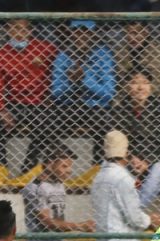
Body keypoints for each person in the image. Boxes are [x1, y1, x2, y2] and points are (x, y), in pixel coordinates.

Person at [0, 19, 58, 175]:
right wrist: (1, 110)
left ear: (30, 31)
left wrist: (50, 95)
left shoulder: (45, 48)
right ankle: (1, 170)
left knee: (47, 127)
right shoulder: (0, 55)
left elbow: (58, 70)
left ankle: (27, 171)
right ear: (8, 30)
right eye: (15, 28)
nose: (20, 33)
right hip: (14, 102)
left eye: (24, 30)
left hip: (40, 102)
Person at [49, 20, 116, 164]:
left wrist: (84, 80)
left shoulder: (103, 54)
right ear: (71, 34)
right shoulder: (63, 56)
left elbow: (109, 93)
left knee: (107, 127)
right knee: (45, 124)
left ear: (93, 34)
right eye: (77, 32)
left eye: (86, 32)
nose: (81, 36)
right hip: (68, 106)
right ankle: (46, 166)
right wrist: (71, 84)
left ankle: (99, 167)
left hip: (96, 107)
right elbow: (55, 93)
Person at [91, 130, 160, 241]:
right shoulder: (123, 178)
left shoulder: (98, 177)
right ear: (126, 153)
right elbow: (134, 217)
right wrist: (150, 220)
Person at [114, 71, 160, 208]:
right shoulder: (120, 109)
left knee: (157, 170)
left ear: (151, 86)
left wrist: (147, 160)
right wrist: (131, 157)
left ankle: (135, 210)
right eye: (135, 83)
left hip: (158, 156)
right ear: (127, 86)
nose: (140, 88)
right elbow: (119, 139)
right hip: (131, 157)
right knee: (117, 169)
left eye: (145, 83)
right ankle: (134, 213)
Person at [22, 143, 95, 241]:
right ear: (49, 164)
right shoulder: (35, 187)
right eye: (64, 166)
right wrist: (80, 226)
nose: (69, 170)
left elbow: (59, 218)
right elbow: (47, 223)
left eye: (70, 166)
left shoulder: (59, 184)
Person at [113, 22, 160, 108]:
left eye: (135, 33)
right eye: (127, 33)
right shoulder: (120, 53)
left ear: (145, 33)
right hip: (126, 104)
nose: (131, 37)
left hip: (157, 104)